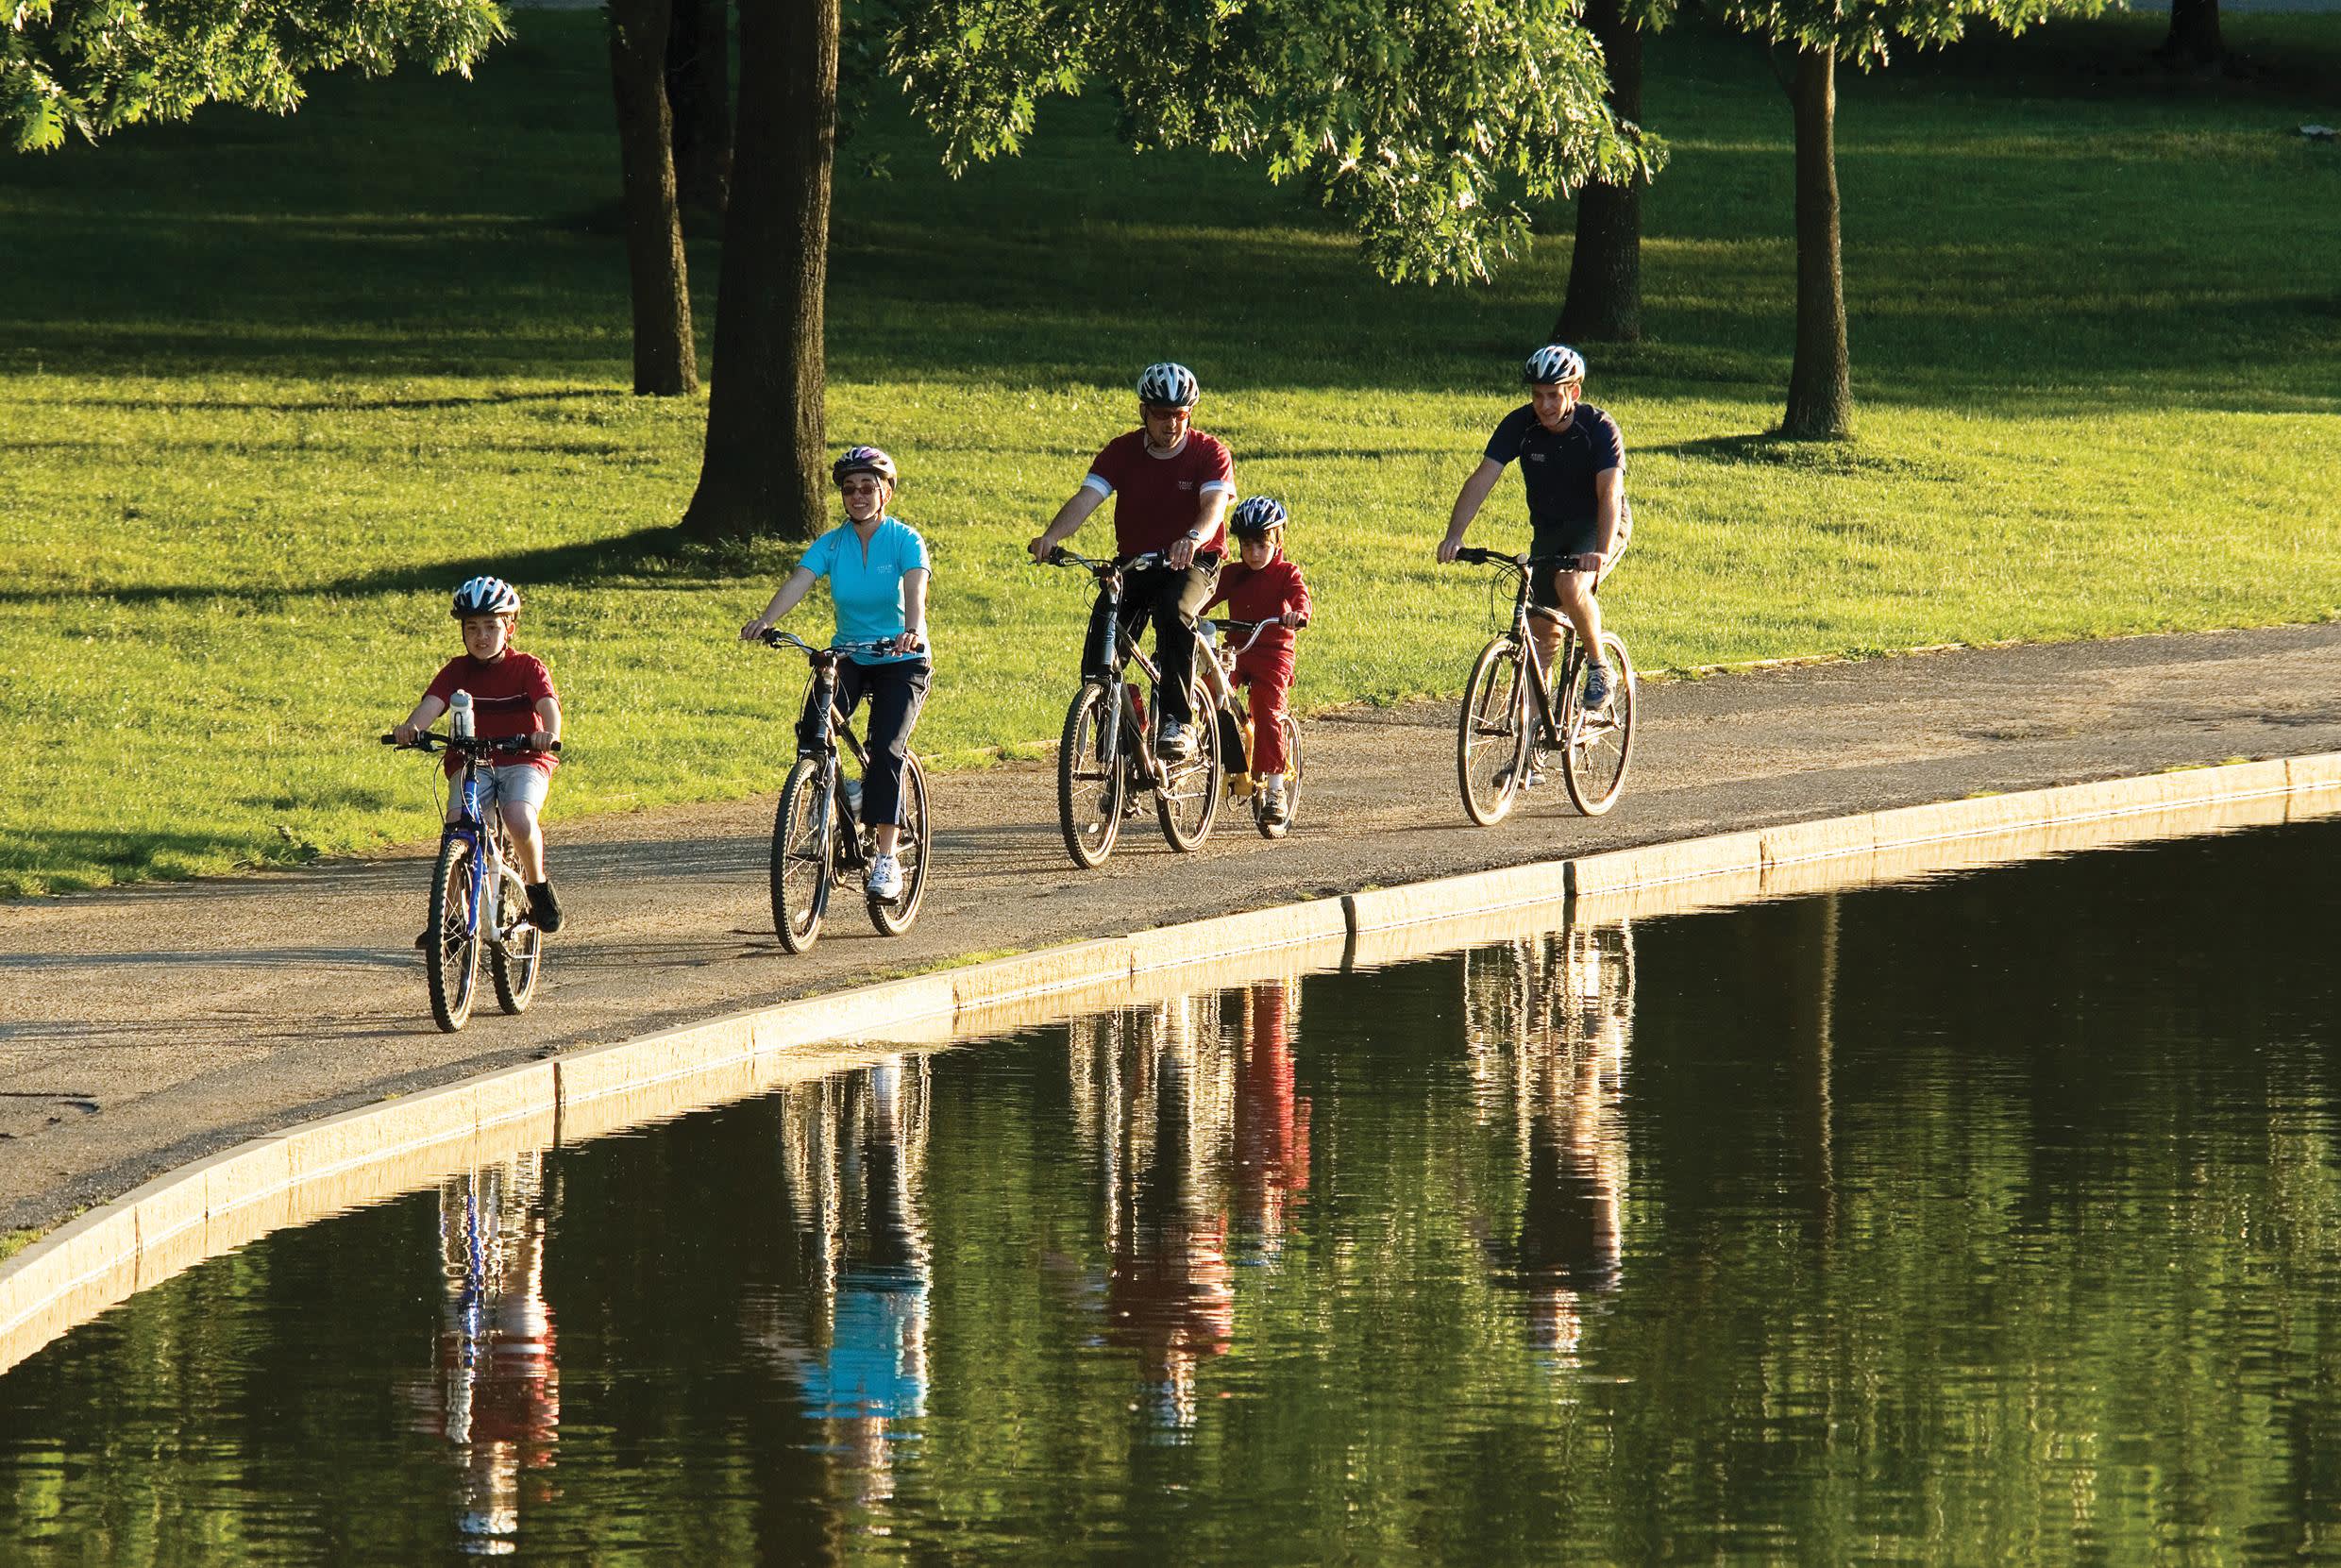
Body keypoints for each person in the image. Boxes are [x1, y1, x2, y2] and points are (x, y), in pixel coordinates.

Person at [741, 445, 932, 902]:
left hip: (902, 658)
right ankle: (833, 786)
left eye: (868, 487)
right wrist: (766, 620)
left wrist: (912, 631)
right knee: (814, 725)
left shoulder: (905, 540)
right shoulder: (832, 544)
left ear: (885, 492)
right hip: (850, 654)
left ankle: (887, 858)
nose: (858, 496)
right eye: (850, 489)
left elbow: (916, 589)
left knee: (886, 748)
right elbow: (799, 581)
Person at [1027, 362, 1236, 761]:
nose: (1170, 424)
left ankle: (1179, 721)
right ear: (1144, 412)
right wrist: (1052, 537)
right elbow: (1086, 499)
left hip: (1193, 561)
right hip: (1136, 564)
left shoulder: (1209, 453)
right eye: (1161, 414)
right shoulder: (1121, 452)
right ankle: (1122, 744)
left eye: (1179, 415)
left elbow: (1213, 509)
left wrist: (1191, 538)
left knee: (1174, 614)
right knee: (1101, 647)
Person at [1438, 344, 1632, 715]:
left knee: (1570, 584)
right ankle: (1532, 750)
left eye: (1553, 395)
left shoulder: (1599, 428)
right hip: (1551, 528)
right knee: (1540, 630)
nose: (1544, 405)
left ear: (1573, 392)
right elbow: (1482, 479)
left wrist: (1601, 551)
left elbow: (1609, 493)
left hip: (1600, 523)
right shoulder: (1520, 425)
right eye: (1537, 395)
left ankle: (1598, 665)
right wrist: (1455, 536)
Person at [393, 576, 564, 936]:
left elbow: (548, 705)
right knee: (457, 826)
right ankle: (452, 921)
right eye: (472, 628)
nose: (481, 636)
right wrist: (411, 728)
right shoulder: (457, 671)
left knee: (518, 816)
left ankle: (537, 887)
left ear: (510, 629)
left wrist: (548, 734)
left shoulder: (527, 668)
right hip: (471, 762)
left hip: (522, 758)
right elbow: (431, 706)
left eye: (491, 626)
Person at [1202, 496, 1312, 825]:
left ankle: (1276, 789)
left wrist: (1297, 614)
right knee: (1210, 692)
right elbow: (1206, 597)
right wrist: (1190, 610)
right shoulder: (1234, 574)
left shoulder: (1285, 573)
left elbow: (1300, 597)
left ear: (1277, 540)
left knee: (1267, 711)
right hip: (1237, 650)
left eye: (1261, 545)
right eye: (1247, 546)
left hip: (1273, 654)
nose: (1253, 554)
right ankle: (1223, 757)